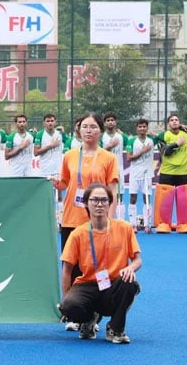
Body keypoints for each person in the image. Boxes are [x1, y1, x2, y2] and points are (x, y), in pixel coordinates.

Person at [51, 113, 119, 331]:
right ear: (78, 131)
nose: (88, 131)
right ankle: (74, 313)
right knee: (71, 267)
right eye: (84, 127)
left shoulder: (108, 158)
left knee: (96, 266)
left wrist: (111, 218)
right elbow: (64, 183)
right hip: (71, 217)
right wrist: (53, 183)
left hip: (96, 221)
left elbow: (113, 190)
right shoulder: (69, 155)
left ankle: (95, 312)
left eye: (93, 127)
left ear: (100, 131)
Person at [59, 183, 142, 344]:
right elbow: (67, 270)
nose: (99, 204)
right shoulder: (78, 234)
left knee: (129, 283)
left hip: (113, 285)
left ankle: (116, 329)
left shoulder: (124, 228)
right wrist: (65, 298)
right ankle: (89, 320)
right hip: (87, 285)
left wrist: (130, 268)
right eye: (94, 200)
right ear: (86, 203)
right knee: (69, 306)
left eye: (104, 200)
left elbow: (138, 260)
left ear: (110, 203)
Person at [152, 114, 187, 233]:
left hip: (183, 172)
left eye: (176, 120)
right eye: (172, 120)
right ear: (168, 124)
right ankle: (164, 224)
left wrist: (185, 128)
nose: (174, 122)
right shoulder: (163, 136)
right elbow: (165, 152)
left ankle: (184, 224)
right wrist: (176, 144)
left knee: (184, 200)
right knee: (165, 200)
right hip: (167, 172)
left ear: (180, 122)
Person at [34, 113, 68, 224]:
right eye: (47, 121)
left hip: (59, 169)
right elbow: (36, 152)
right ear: (44, 123)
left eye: (52, 121)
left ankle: (59, 220)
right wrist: (50, 146)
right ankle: (47, 220)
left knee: (59, 196)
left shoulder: (61, 135)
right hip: (45, 170)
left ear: (55, 122)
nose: (50, 123)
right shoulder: (39, 135)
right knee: (48, 196)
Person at [125, 118, 155, 233]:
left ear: (147, 128)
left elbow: (162, 136)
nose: (142, 128)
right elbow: (128, 158)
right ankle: (133, 225)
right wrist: (143, 151)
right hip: (135, 174)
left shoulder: (151, 140)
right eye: (140, 127)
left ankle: (147, 225)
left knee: (146, 198)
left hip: (147, 174)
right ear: (136, 128)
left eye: (144, 126)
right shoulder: (131, 141)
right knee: (133, 197)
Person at [100, 112, 130, 220]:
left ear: (115, 122)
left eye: (112, 120)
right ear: (104, 123)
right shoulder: (101, 137)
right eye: (108, 120)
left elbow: (133, 143)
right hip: (104, 170)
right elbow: (97, 152)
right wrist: (110, 146)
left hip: (118, 169)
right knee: (104, 194)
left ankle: (119, 220)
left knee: (119, 194)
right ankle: (106, 218)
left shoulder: (122, 137)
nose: (110, 122)